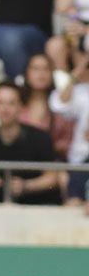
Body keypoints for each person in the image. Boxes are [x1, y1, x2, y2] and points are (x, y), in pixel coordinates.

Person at [0, 81, 62, 204]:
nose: (5, 109)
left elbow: (53, 178)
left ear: (20, 107)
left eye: (11, 103)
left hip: (38, 208)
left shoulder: (40, 138)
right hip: (0, 209)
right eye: (0, 102)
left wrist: (26, 186)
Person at [50, 55, 89, 202]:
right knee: (73, 202)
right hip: (80, 161)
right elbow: (59, 105)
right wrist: (76, 73)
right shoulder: (83, 92)